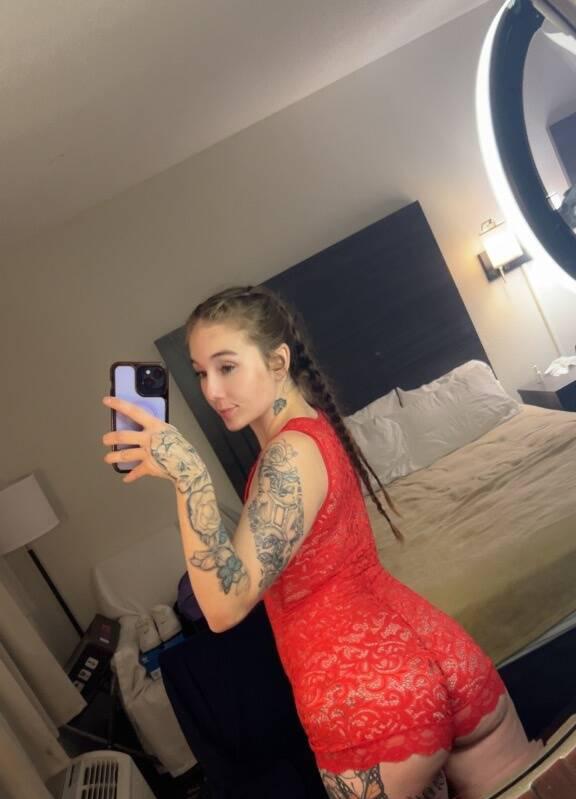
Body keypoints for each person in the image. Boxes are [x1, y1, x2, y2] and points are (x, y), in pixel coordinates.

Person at [102, 286, 541, 799]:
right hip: (441, 655)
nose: (213, 390)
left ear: (277, 361)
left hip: (367, 695)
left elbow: (222, 607)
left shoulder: (287, 456)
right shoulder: (312, 429)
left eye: (227, 367)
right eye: (201, 373)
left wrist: (189, 478)